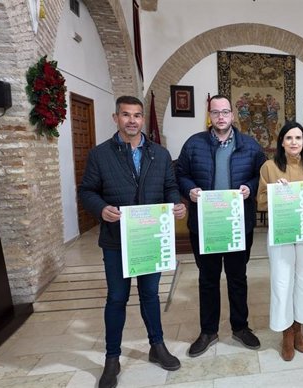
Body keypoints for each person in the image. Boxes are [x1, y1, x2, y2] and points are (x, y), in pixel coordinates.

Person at [79, 95, 186, 388]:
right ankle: (111, 359)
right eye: (126, 115)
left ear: (142, 119)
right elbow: (87, 191)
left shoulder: (160, 154)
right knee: (117, 298)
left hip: (150, 238)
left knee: (150, 295)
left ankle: (157, 346)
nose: (132, 120)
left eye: (137, 115)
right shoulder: (100, 154)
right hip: (116, 241)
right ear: (116, 118)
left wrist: (176, 204)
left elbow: (170, 187)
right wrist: (100, 208)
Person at [176, 94, 267, 357]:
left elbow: (260, 176)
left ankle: (240, 327)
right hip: (206, 223)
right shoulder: (194, 144)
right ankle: (208, 331)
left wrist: (249, 188)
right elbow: (180, 173)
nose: (221, 117)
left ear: (233, 114)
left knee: (238, 277)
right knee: (208, 278)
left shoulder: (250, 146)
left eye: (225, 112)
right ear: (209, 115)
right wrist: (190, 189)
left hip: (238, 222)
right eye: (215, 112)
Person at [256, 121, 303, 361]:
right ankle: (286, 332)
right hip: (281, 229)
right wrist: (276, 193)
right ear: (281, 142)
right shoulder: (269, 167)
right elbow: (260, 201)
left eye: (298, 138)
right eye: (289, 138)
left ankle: (299, 328)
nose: (294, 142)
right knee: (281, 279)